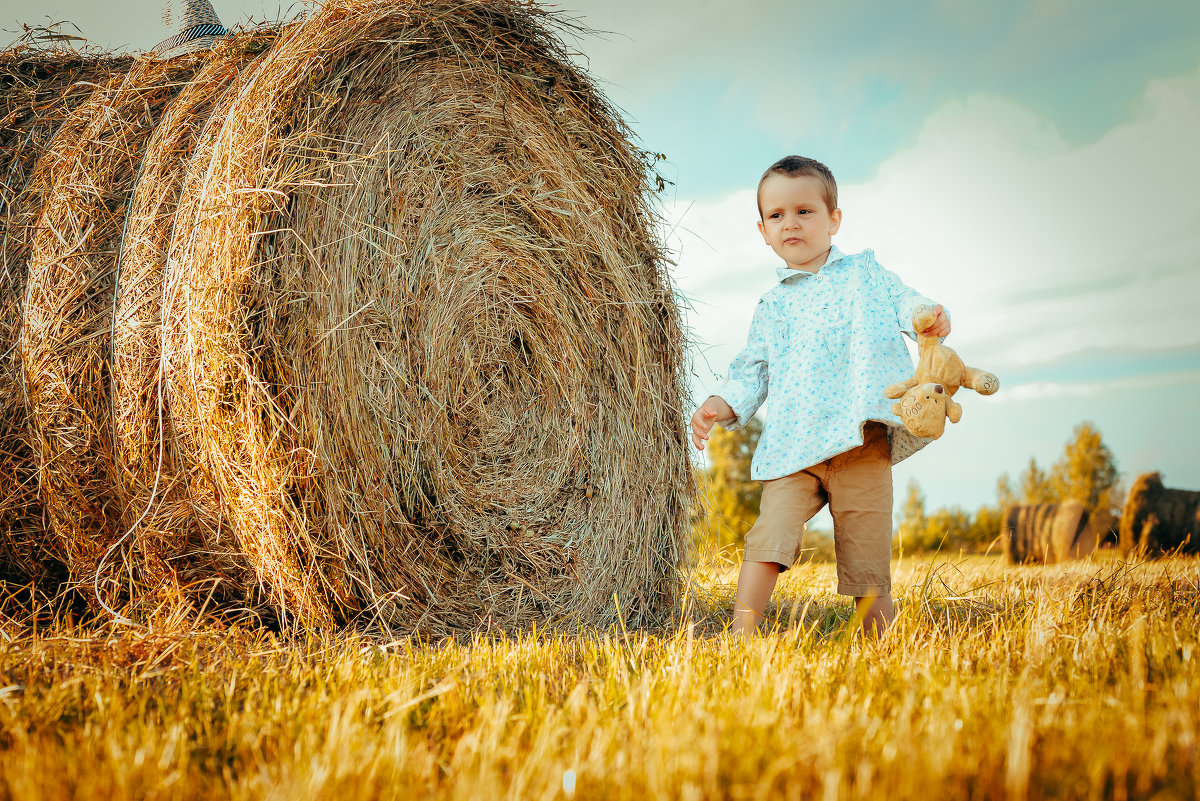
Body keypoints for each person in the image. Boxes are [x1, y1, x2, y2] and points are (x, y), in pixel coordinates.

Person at [690, 155, 950, 637]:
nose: (790, 223)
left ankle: (878, 642)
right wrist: (721, 404)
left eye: (804, 211)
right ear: (763, 231)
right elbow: (754, 368)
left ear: (834, 220)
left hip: (861, 440)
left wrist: (925, 314)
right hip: (793, 445)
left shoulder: (865, 275)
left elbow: (903, 300)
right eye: (776, 215)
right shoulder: (772, 304)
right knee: (769, 537)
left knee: (866, 554)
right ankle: (741, 634)